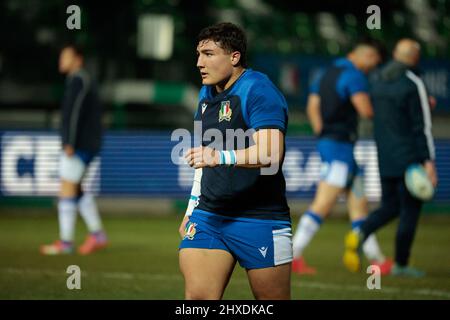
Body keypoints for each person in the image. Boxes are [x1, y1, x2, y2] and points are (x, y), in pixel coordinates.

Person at [179, 22, 292, 300]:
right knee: (198, 300)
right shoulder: (206, 94)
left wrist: (220, 156)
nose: (199, 63)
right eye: (198, 54)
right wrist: (192, 206)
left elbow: (270, 153)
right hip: (209, 214)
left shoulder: (258, 89)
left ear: (234, 57)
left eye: (208, 54)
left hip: (260, 217)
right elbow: (202, 160)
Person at [291, 40, 393, 275]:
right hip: (340, 149)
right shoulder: (354, 76)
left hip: (334, 145)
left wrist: (321, 131)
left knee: (359, 205)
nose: (372, 68)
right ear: (367, 55)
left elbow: (312, 106)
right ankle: (292, 255)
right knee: (323, 203)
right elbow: (366, 110)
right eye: (373, 63)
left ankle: (377, 260)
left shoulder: (326, 74)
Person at [343, 39, 437, 277]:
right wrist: (429, 161)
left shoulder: (377, 80)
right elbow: (421, 126)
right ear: (415, 57)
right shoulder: (413, 81)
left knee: (390, 206)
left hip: (384, 155)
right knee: (409, 211)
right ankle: (401, 264)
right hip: (410, 157)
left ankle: (360, 233)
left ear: (395, 54)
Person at [40, 44, 107, 255]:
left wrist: (69, 141)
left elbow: (75, 113)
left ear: (78, 59)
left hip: (79, 144)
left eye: (65, 57)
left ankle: (66, 243)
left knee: (66, 189)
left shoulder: (79, 79)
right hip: (84, 143)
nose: (61, 60)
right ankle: (97, 234)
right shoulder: (79, 79)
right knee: (76, 189)